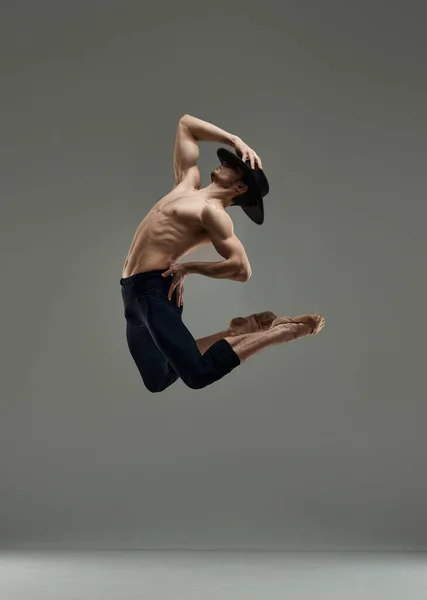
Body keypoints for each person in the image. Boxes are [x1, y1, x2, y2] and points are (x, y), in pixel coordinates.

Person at [120, 114, 325, 392]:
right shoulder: (186, 183)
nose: (225, 162)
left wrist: (189, 267)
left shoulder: (214, 215)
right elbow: (186, 125)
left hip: (155, 292)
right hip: (131, 293)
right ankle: (236, 334)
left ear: (240, 187)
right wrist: (234, 140)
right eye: (228, 160)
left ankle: (283, 332)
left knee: (198, 374)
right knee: (158, 380)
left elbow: (242, 269)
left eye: (232, 166)